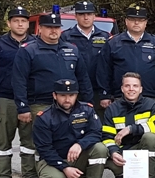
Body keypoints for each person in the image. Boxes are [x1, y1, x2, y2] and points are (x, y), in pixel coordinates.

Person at [12, 12, 94, 140]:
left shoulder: (72, 49)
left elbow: (83, 78)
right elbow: (19, 81)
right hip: (40, 104)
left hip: (69, 104)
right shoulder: (28, 50)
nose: (53, 30)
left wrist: (88, 102)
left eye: (56, 27)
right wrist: (23, 107)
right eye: (49, 27)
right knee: (37, 143)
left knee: (69, 140)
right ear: (40, 28)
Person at [0, 6, 38, 178]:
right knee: (3, 141)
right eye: (16, 21)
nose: (20, 24)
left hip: (29, 99)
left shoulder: (36, 44)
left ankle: (30, 177)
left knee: (30, 141)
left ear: (28, 24)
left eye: (23, 21)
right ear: (9, 23)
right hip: (5, 99)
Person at [32, 79, 109, 178]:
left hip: (78, 157)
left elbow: (96, 132)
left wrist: (80, 144)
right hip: (53, 159)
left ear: (76, 95)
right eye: (62, 95)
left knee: (100, 148)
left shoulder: (87, 110)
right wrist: (65, 167)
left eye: (71, 95)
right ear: (54, 95)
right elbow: (45, 149)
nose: (67, 99)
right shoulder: (44, 117)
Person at [96, 7, 155, 107]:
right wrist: (105, 95)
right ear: (126, 21)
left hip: (149, 96)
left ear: (146, 22)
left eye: (140, 20)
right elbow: (103, 70)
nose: (136, 23)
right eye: (132, 19)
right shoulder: (113, 43)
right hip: (121, 96)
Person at [103, 72, 155, 178]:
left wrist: (131, 129)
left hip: (144, 148)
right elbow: (107, 136)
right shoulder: (112, 109)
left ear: (140, 89)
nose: (131, 89)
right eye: (127, 86)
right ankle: (124, 174)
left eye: (135, 86)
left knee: (150, 137)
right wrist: (114, 152)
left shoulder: (151, 105)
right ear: (122, 88)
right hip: (123, 153)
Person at [60, 1, 110, 120]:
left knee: (98, 124)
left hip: (98, 91)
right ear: (76, 16)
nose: (86, 17)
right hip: (73, 91)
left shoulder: (105, 37)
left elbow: (109, 65)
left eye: (89, 14)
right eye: (82, 14)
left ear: (94, 16)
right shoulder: (65, 37)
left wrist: (106, 93)